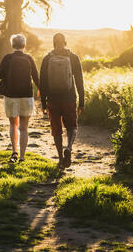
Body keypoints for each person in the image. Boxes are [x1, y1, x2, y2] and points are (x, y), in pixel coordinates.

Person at [40, 33, 84, 168]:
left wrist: (43, 102)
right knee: (72, 126)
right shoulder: (74, 58)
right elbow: (79, 82)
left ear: (53, 43)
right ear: (65, 42)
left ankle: (60, 159)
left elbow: (43, 83)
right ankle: (69, 148)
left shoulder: (47, 59)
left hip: (52, 100)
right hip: (69, 98)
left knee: (56, 130)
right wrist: (82, 102)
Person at [0, 33, 40, 163]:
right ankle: (22, 157)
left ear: (12, 45)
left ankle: (14, 152)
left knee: (13, 125)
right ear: (24, 45)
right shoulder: (29, 58)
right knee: (24, 127)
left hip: (11, 95)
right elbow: (36, 77)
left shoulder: (7, 58)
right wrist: (41, 90)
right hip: (26, 96)